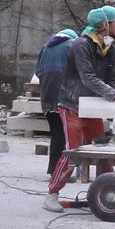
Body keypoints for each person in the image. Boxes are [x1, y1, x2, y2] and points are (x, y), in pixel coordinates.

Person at [45, 5, 115, 211]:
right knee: (72, 153)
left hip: (92, 107)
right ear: (104, 25)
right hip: (72, 105)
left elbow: (110, 79)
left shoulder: (109, 48)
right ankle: (52, 194)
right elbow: (87, 77)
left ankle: (109, 191)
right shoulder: (80, 45)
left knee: (102, 151)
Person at [34, 28, 77, 177]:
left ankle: (53, 169)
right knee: (66, 135)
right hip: (65, 97)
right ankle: (63, 171)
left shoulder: (45, 48)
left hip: (47, 98)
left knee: (56, 133)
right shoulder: (72, 45)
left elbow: (38, 72)